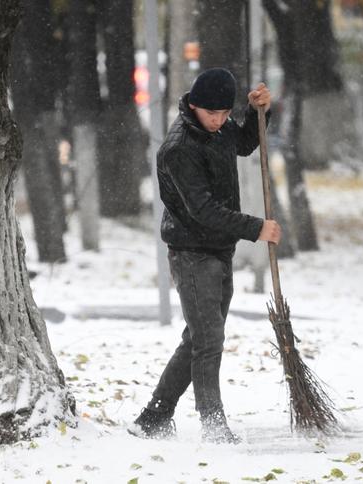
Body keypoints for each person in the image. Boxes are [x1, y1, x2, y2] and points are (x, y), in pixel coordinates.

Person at [130, 68, 281, 444]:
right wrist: (254, 227)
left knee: (199, 339)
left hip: (218, 248)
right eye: (211, 114)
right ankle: (213, 425)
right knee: (208, 338)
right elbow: (202, 209)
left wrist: (260, 112)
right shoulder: (180, 148)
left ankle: (153, 417)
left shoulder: (220, 128)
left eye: (224, 114)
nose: (218, 121)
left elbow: (246, 143)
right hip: (191, 250)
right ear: (194, 106)